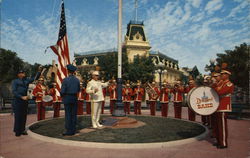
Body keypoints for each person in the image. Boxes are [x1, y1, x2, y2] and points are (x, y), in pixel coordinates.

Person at [11, 68, 41, 136]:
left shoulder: (26, 80)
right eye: (21, 73)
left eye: (23, 72)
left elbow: (35, 78)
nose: (22, 74)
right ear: (18, 74)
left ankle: (22, 130)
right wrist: (21, 97)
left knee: (24, 116)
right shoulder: (15, 81)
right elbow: (14, 91)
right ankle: (17, 131)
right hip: (18, 100)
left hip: (25, 100)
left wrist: (39, 71)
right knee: (18, 116)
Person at [214, 69, 234, 149]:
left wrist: (216, 88)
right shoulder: (221, 84)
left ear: (227, 75)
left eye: (223, 74)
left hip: (224, 106)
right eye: (221, 74)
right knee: (218, 125)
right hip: (219, 106)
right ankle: (219, 141)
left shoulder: (229, 84)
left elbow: (220, 92)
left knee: (222, 126)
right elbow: (217, 90)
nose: (221, 75)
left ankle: (224, 143)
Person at [60, 64, 80, 136]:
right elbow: (78, 90)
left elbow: (62, 91)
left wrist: (62, 96)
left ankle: (68, 130)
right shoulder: (77, 80)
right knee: (74, 114)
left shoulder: (65, 80)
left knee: (68, 114)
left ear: (68, 71)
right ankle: (73, 129)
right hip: (74, 98)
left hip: (67, 98)